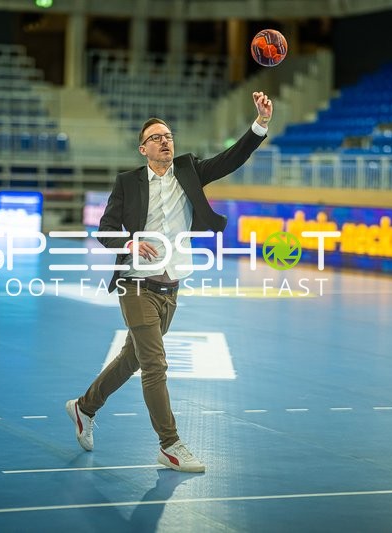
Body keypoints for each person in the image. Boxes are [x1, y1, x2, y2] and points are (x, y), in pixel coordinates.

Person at [66, 92, 273, 472]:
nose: (166, 140)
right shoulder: (127, 182)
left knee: (132, 358)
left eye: (169, 135)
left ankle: (84, 406)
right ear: (143, 148)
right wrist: (132, 242)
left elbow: (232, 159)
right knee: (155, 365)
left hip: (170, 287)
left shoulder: (189, 170)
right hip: (135, 284)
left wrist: (259, 123)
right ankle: (170, 444)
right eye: (157, 137)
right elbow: (105, 230)